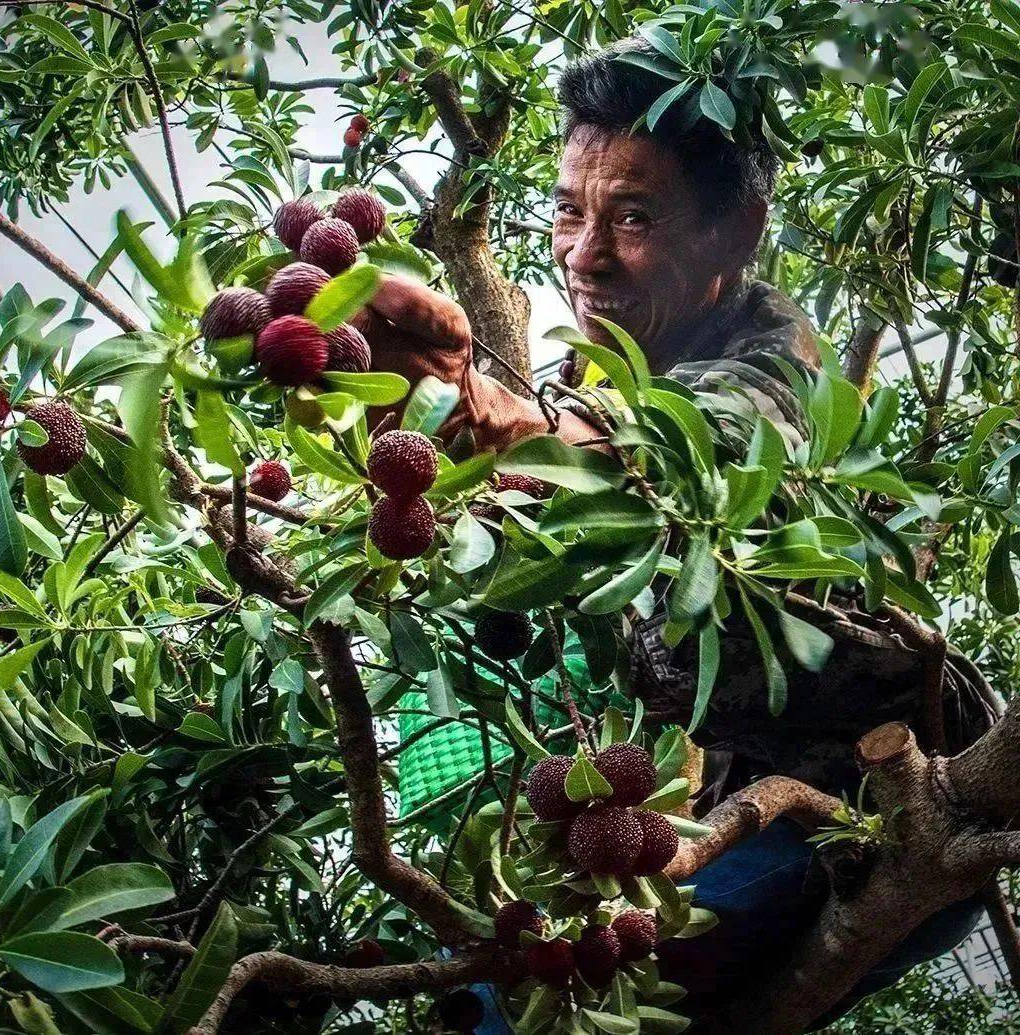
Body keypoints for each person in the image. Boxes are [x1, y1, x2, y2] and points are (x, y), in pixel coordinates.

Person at [356, 36, 988, 1028]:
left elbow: (702, 436)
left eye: (634, 217)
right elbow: (518, 551)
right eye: (569, 210)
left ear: (737, 230)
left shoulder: (777, 364)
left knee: (508, 996)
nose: (582, 252)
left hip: (876, 810)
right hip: (743, 811)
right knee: (494, 965)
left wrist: (503, 422)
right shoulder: (588, 383)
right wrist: (412, 455)